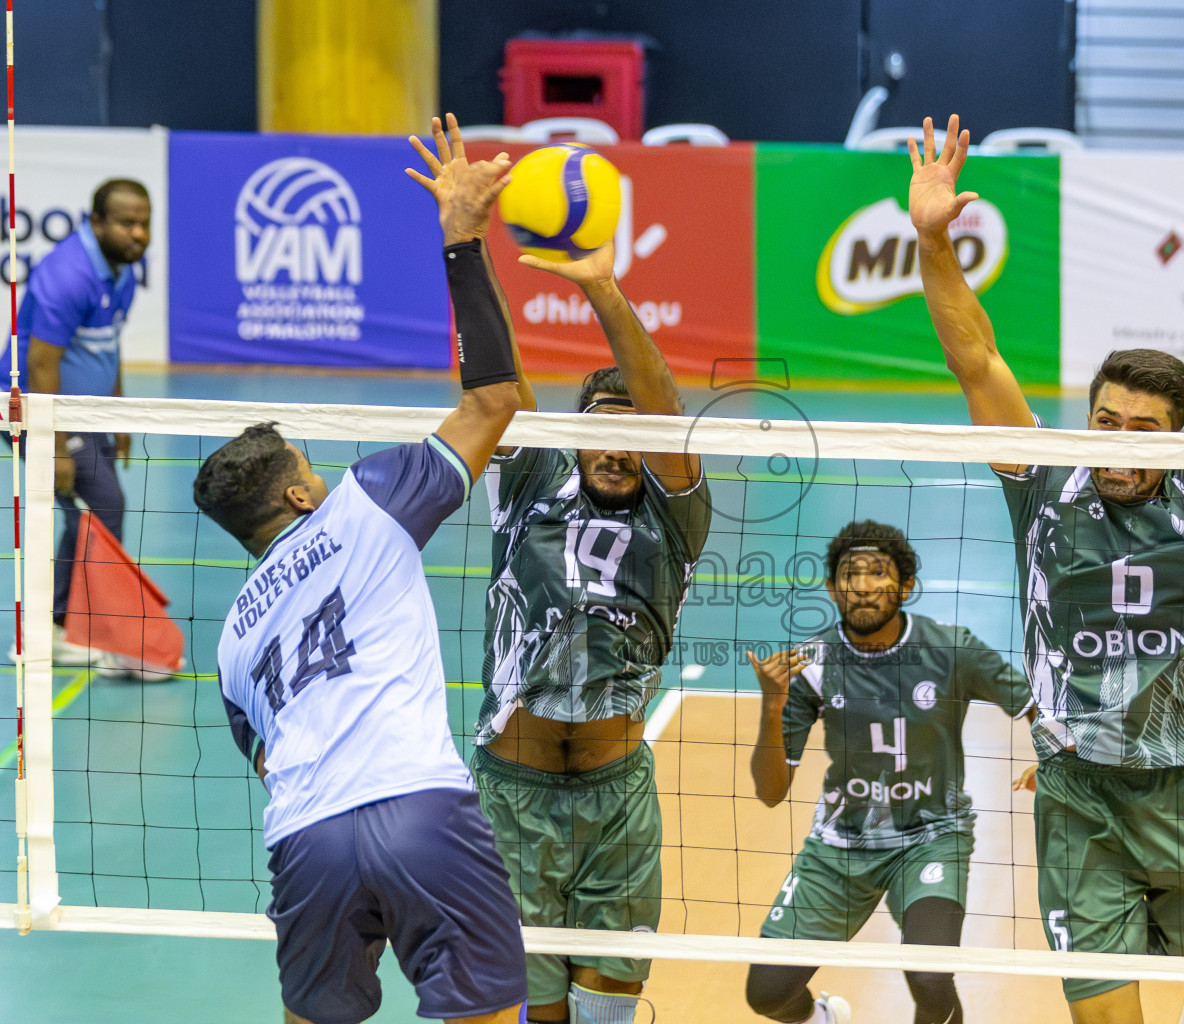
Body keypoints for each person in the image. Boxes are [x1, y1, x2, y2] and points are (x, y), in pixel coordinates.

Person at [909, 115, 1184, 1024]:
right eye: (1107, 420)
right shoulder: (1046, 483)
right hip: (1077, 795)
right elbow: (978, 358)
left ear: (1175, 439)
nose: (1119, 441)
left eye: (1145, 429)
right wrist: (933, 241)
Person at [193, 115, 527, 1024]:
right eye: (309, 464)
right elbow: (495, 400)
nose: (322, 473)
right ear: (301, 496)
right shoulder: (366, 499)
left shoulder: (229, 640)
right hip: (417, 803)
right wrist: (461, 239)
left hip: (305, 838)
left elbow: (265, 762)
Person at [471, 238, 711, 1020]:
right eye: (603, 429)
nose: (617, 446)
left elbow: (669, 416)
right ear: (571, 438)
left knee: (605, 1012)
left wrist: (604, 291)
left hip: (617, 802)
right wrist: (462, 240)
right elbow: (496, 380)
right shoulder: (531, 482)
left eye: (634, 432)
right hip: (513, 798)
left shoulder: (676, 518)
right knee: (535, 1013)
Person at [744, 520, 1034, 1024]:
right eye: (848, 574)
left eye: (878, 572)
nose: (862, 585)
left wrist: (1051, 758)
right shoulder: (811, 664)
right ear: (833, 589)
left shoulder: (950, 649)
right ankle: (822, 1019)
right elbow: (770, 793)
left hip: (932, 834)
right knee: (766, 993)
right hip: (840, 844)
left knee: (929, 975)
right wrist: (772, 708)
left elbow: (1037, 702)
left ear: (905, 586)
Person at [15, 178, 150, 667]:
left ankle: (64, 621)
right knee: (100, 506)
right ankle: (49, 627)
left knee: (97, 511)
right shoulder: (68, 275)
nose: (139, 234)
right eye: (127, 223)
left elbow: (107, 347)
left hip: (84, 410)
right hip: (37, 407)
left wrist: (121, 415)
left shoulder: (122, 272)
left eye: (144, 223)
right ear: (97, 222)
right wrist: (54, 443)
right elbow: (41, 363)